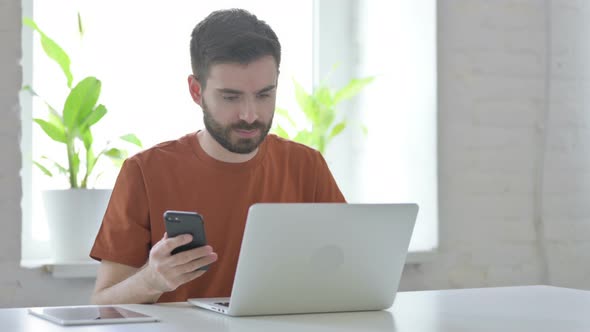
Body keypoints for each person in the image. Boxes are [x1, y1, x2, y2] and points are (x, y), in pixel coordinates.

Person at [90, 8, 345, 305]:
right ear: (196, 91)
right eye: (230, 97)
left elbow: (346, 273)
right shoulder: (144, 172)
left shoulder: (307, 167)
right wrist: (151, 280)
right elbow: (102, 305)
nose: (250, 115)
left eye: (264, 95)